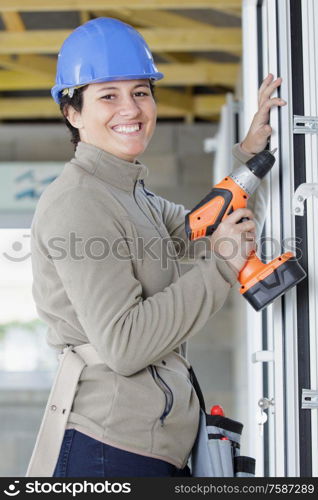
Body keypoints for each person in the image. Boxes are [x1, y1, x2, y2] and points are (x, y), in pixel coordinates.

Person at [29, 17, 285, 477]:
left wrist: (250, 157)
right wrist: (222, 266)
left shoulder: (129, 191)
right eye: (108, 95)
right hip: (110, 452)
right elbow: (123, 344)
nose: (131, 108)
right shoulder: (79, 203)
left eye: (141, 92)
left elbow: (201, 230)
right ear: (72, 112)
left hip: (150, 446)